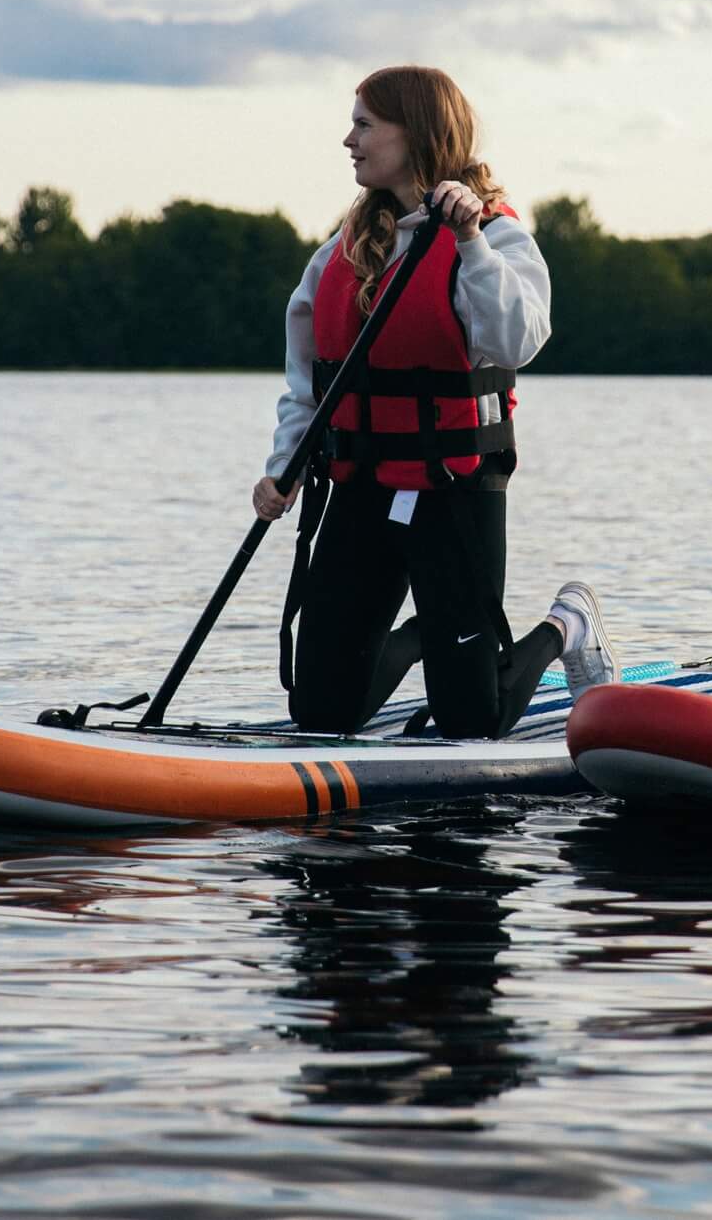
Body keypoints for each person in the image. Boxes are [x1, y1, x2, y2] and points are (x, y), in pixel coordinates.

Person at [253, 65, 616, 738]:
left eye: (364, 124)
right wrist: (285, 469)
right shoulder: (342, 249)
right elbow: (309, 382)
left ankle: (566, 624)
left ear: (413, 133)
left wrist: (471, 239)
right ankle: (437, 629)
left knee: (470, 719)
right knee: (320, 711)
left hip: (455, 487)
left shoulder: (495, 236)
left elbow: (520, 337)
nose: (348, 139)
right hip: (363, 485)